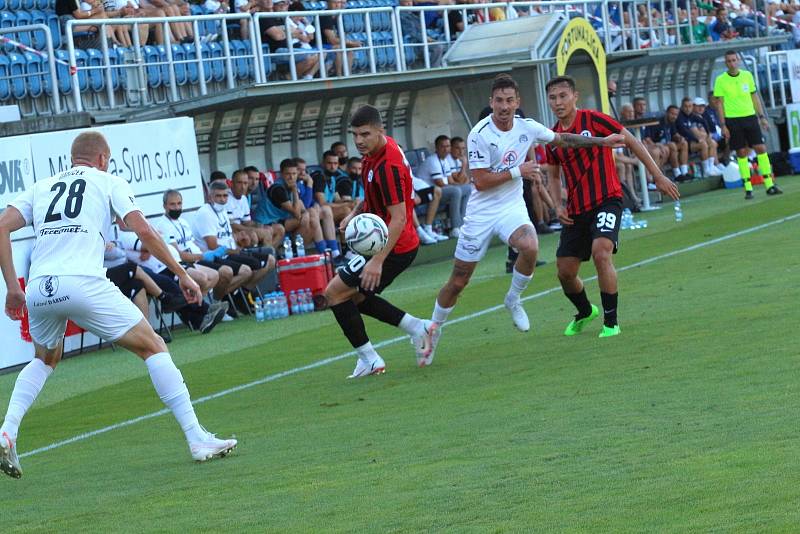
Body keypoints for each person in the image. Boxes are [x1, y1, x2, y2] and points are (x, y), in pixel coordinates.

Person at [0, 132, 236, 479]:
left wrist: (12, 288)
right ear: (102, 159)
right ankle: (197, 438)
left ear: (72, 159)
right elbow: (143, 230)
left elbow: (1, 227)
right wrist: (181, 273)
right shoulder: (107, 180)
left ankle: (7, 431)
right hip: (83, 282)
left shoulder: (42, 186)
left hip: (39, 287)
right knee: (154, 346)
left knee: (45, 359)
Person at [423, 74, 629, 365]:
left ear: (518, 102)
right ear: (491, 102)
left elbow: (564, 139)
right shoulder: (479, 134)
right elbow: (480, 182)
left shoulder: (527, 127)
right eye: (499, 101)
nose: (504, 106)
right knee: (458, 280)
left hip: (511, 207)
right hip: (481, 213)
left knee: (531, 246)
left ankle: (513, 299)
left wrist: (602, 142)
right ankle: (432, 330)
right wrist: (520, 171)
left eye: (509, 100)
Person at [542, 76, 680, 339]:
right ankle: (585, 311)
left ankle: (611, 322)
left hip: (607, 199)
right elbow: (553, 174)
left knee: (601, 252)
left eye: (562, 96)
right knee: (565, 271)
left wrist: (658, 175)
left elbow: (631, 141)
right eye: (553, 97)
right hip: (576, 209)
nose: (558, 102)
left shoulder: (594, 120)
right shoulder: (554, 137)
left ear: (575, 96)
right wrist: (557, 204)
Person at [323, 105, 433, 377]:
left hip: (395, 246)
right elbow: (375, 195)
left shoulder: (388, 166)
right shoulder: (376, 152)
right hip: (392, 242)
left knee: (334, 293)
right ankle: (418, 328)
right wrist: (353, 213)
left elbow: (397, 219)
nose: (358, 141)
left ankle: (370, 359)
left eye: (364, 134)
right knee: (356, 297)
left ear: (380, 131)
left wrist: (377, 261)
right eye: (355, 135)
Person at [713, 50, 783, 199]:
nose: (732, 63)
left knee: (761, 148)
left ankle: (769, 184)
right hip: (732, 119)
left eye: (734, 60)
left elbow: (754, 96)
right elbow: (719, 103)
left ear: (738, 60)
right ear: (726, 63)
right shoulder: (721, 80)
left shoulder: (747, 75)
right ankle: (748, 188)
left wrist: (762, 116)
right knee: (741, 152)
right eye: (729, 61)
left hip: (750, 117)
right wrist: (723, 124)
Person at [416, 135, 470, 237]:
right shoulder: (433, 160)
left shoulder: (444, 161)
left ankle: (463, 225)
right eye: (443, 146)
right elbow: (440, 183)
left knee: (467, 189)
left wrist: (463, 185)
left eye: (448, 146)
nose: (446, 149)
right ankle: (455, 228)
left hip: (439, 192)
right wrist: (458, 186)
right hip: (427, 194)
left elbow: (451, 181)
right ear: (436, 148)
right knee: (456, 191)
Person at [676, 96, 722, 177]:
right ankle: (706, 170)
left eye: (689, 106)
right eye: (685, 106)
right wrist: (697, 139)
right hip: (686, 143)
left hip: (693, 142)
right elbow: (684, 131)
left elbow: (703, 121)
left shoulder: (692, 116)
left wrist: (708, 134)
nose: (688, 109)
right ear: (682, 107)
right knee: (703, 144)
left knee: (712, 142)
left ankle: (711, 167)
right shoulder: (680, 117)